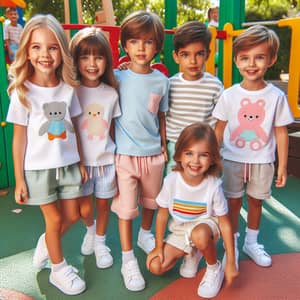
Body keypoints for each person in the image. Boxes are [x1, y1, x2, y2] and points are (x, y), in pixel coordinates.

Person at [6, 14, 86, 295]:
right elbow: (19, 139)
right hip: (38, 169)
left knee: (73, 215)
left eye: (52, 47)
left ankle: (45, 244)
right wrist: (19, 180)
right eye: (37, 47)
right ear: (27, 51)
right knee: (53, 220)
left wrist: (82, 161)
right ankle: (59, 268)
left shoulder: (68, 88)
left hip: (68, 164)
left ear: (61, 51)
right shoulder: (22, 91)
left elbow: (75, 127)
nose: (44, 54)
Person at [213, 25, 294, 269]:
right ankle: (233, 245)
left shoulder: (276, 96)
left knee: (256, 202)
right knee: (233, 203)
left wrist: (282, 165)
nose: (252, 64)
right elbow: (219, 128)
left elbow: (280, 131)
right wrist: (212, 158)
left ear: (270, 60)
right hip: (232, 159)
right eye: (245, 57)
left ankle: (251, 241)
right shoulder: (229, 95)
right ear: (236, 60)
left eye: (259, 57)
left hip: (262, 160)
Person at [111, 11, 169, 291]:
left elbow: (161, 117)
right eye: (134, 42)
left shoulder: (161, 81)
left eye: (148, 42)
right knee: (126, 208)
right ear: (125, 45)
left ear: (157, 46)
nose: (141, 48)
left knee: (151, 202)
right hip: (124, 156)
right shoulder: (116, 77)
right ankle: (127, 259)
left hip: (154, 155)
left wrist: (164, 145)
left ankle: (146, 234)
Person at [147, 122, 238, 299]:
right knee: (155, 265)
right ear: (179, 154)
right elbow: (162, 215)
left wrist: (231, 261)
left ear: (212, 158)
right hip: (182, 230)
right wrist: (158, 247)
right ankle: (194, 252)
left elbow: (225, 223)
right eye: (189, 153)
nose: (195, 161)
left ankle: (214, 267)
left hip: (206, 227)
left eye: (203, 155)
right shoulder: (171, 180)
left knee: (200, 235)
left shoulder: (213, 184)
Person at [69, 27, 121, 268]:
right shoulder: (70, 91)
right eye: (85, 56)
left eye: (98, 57)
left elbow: (110, 128)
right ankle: (90, 229)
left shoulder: (111, 93)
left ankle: (100, 241)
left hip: (106, 161)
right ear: (75, 59)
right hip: (79, 163)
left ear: (106, 61)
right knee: (83, 208)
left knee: (103, 204)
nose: (92, 63)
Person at [165, 21, 223, 174]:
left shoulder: (214, 86)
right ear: (176, 56)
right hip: (176, 147)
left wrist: (214, 148)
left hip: (204, 149)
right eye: (185, 54)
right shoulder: (170, 85)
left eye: (199, 54)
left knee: (205, 188)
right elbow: (162, 116)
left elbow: (221, 122)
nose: (192, 61)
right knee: (175, 187)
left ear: (208, 55)